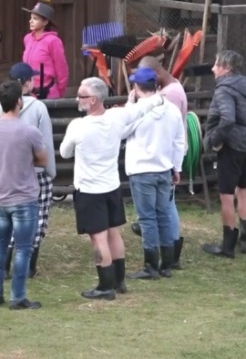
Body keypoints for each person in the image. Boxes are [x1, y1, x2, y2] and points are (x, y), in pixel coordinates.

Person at [60, 77, 164, 301]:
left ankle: (105, 286)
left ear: (94, 100)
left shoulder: (78, 126)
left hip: (90, 190)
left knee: (98, 239)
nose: (77, 99)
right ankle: (119, 281)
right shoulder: (117, 117)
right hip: (111, 186)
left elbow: (65, 152)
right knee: (113, 233)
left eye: (82, 95)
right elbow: (142, 108)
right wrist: (158, 99)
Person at [0, 63, 56, 279]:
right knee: (36, 219)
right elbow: (46, 142)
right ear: (27, 82)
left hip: (4, 172)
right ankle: (29, 267)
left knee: (5, 222)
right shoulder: (38, 108)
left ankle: (4, 267)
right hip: (35, 173)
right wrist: (50, 170)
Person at [202, 50, 246, 258]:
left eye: (216, 64)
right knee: (242, 189)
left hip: (232, 148)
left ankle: (227, 246)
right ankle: (245, 238)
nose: (213, 68)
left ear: (226, 68)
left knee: (226, 195)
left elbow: (227, 119)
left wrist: (214, 140)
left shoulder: (224, 90)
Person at [0, 81, 47, 310]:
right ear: (19, 101)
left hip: (1, 195)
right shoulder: (29, 131)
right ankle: (17, 296)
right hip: (24, 196)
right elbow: (43, 159)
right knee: (23, 248)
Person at [122, 68, 186, 280]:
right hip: (164, 169)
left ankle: (151, 265)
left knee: (147, 218)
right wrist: (177, 167)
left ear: (137, 87)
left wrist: (129, 104)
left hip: (142, 171)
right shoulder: (171, 109)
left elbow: (122, 130)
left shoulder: (138, 110)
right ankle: (166, 264)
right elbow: (179, 141)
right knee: (164, 215)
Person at [21, 1, 69, 99]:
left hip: (47, 93)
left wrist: (59, 93)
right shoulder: (27, 38)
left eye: (35, 19)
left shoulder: (53, 41)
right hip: (28, 92)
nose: (30, 21)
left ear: (45, 22)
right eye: (31, 18)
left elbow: (62, 69)